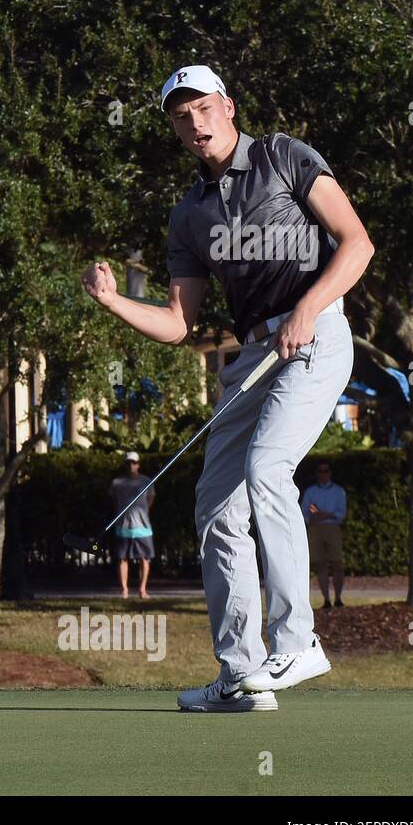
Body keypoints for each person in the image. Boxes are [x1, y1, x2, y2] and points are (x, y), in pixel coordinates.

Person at [82, 65, 373, 712]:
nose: (194, 123)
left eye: (204, 108)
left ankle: (297, 640)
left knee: (270, 468)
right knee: (215, 504)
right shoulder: (188, 215)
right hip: (253, 359)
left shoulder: (283, 156)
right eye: (180, 116)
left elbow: (357, 244)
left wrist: (308, 307)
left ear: (229, 107)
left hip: (317, 332)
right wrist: (113, 303)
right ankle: (240, 676)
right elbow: (179, 324)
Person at [108, 451, 156, 599]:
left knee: (144, 559)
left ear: (138, 464)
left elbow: (150, 499)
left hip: (143, 527)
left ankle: (142, 589)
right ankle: (124, 590)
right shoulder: (116, 483)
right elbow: (114, 502)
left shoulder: (147, 481)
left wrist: (143, 514)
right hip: (123, 526)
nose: (131, 465)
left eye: (134, 462)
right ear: (125, 464)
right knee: (122, 559)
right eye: (129, 462)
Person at [301, 460, 347, 608]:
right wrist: (317, 516)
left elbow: (341, 514)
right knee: (320, 565)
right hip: (315, 529)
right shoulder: (310, 492)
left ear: (330, 473)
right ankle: (326, 599)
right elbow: (304, 513)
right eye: (320, 471)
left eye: (326, 471)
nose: (323, 474)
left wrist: (322, 514)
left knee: (337, 564)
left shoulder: (338, 491)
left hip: (332, 528)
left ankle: (338, 598)